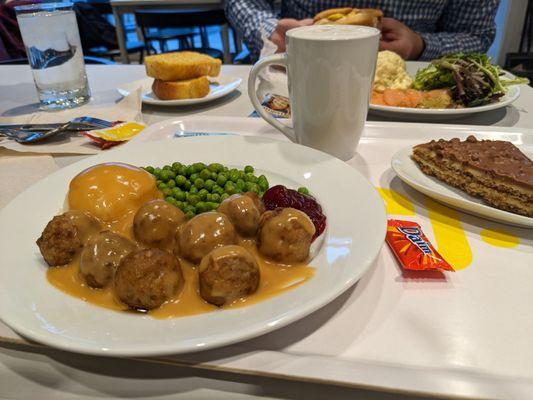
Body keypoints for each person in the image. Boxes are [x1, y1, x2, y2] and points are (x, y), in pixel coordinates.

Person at [225, 0, 500, 62]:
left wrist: (421, 45)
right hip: (291, 77)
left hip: (419, 94)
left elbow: (476, 34)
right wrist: (272, 31)